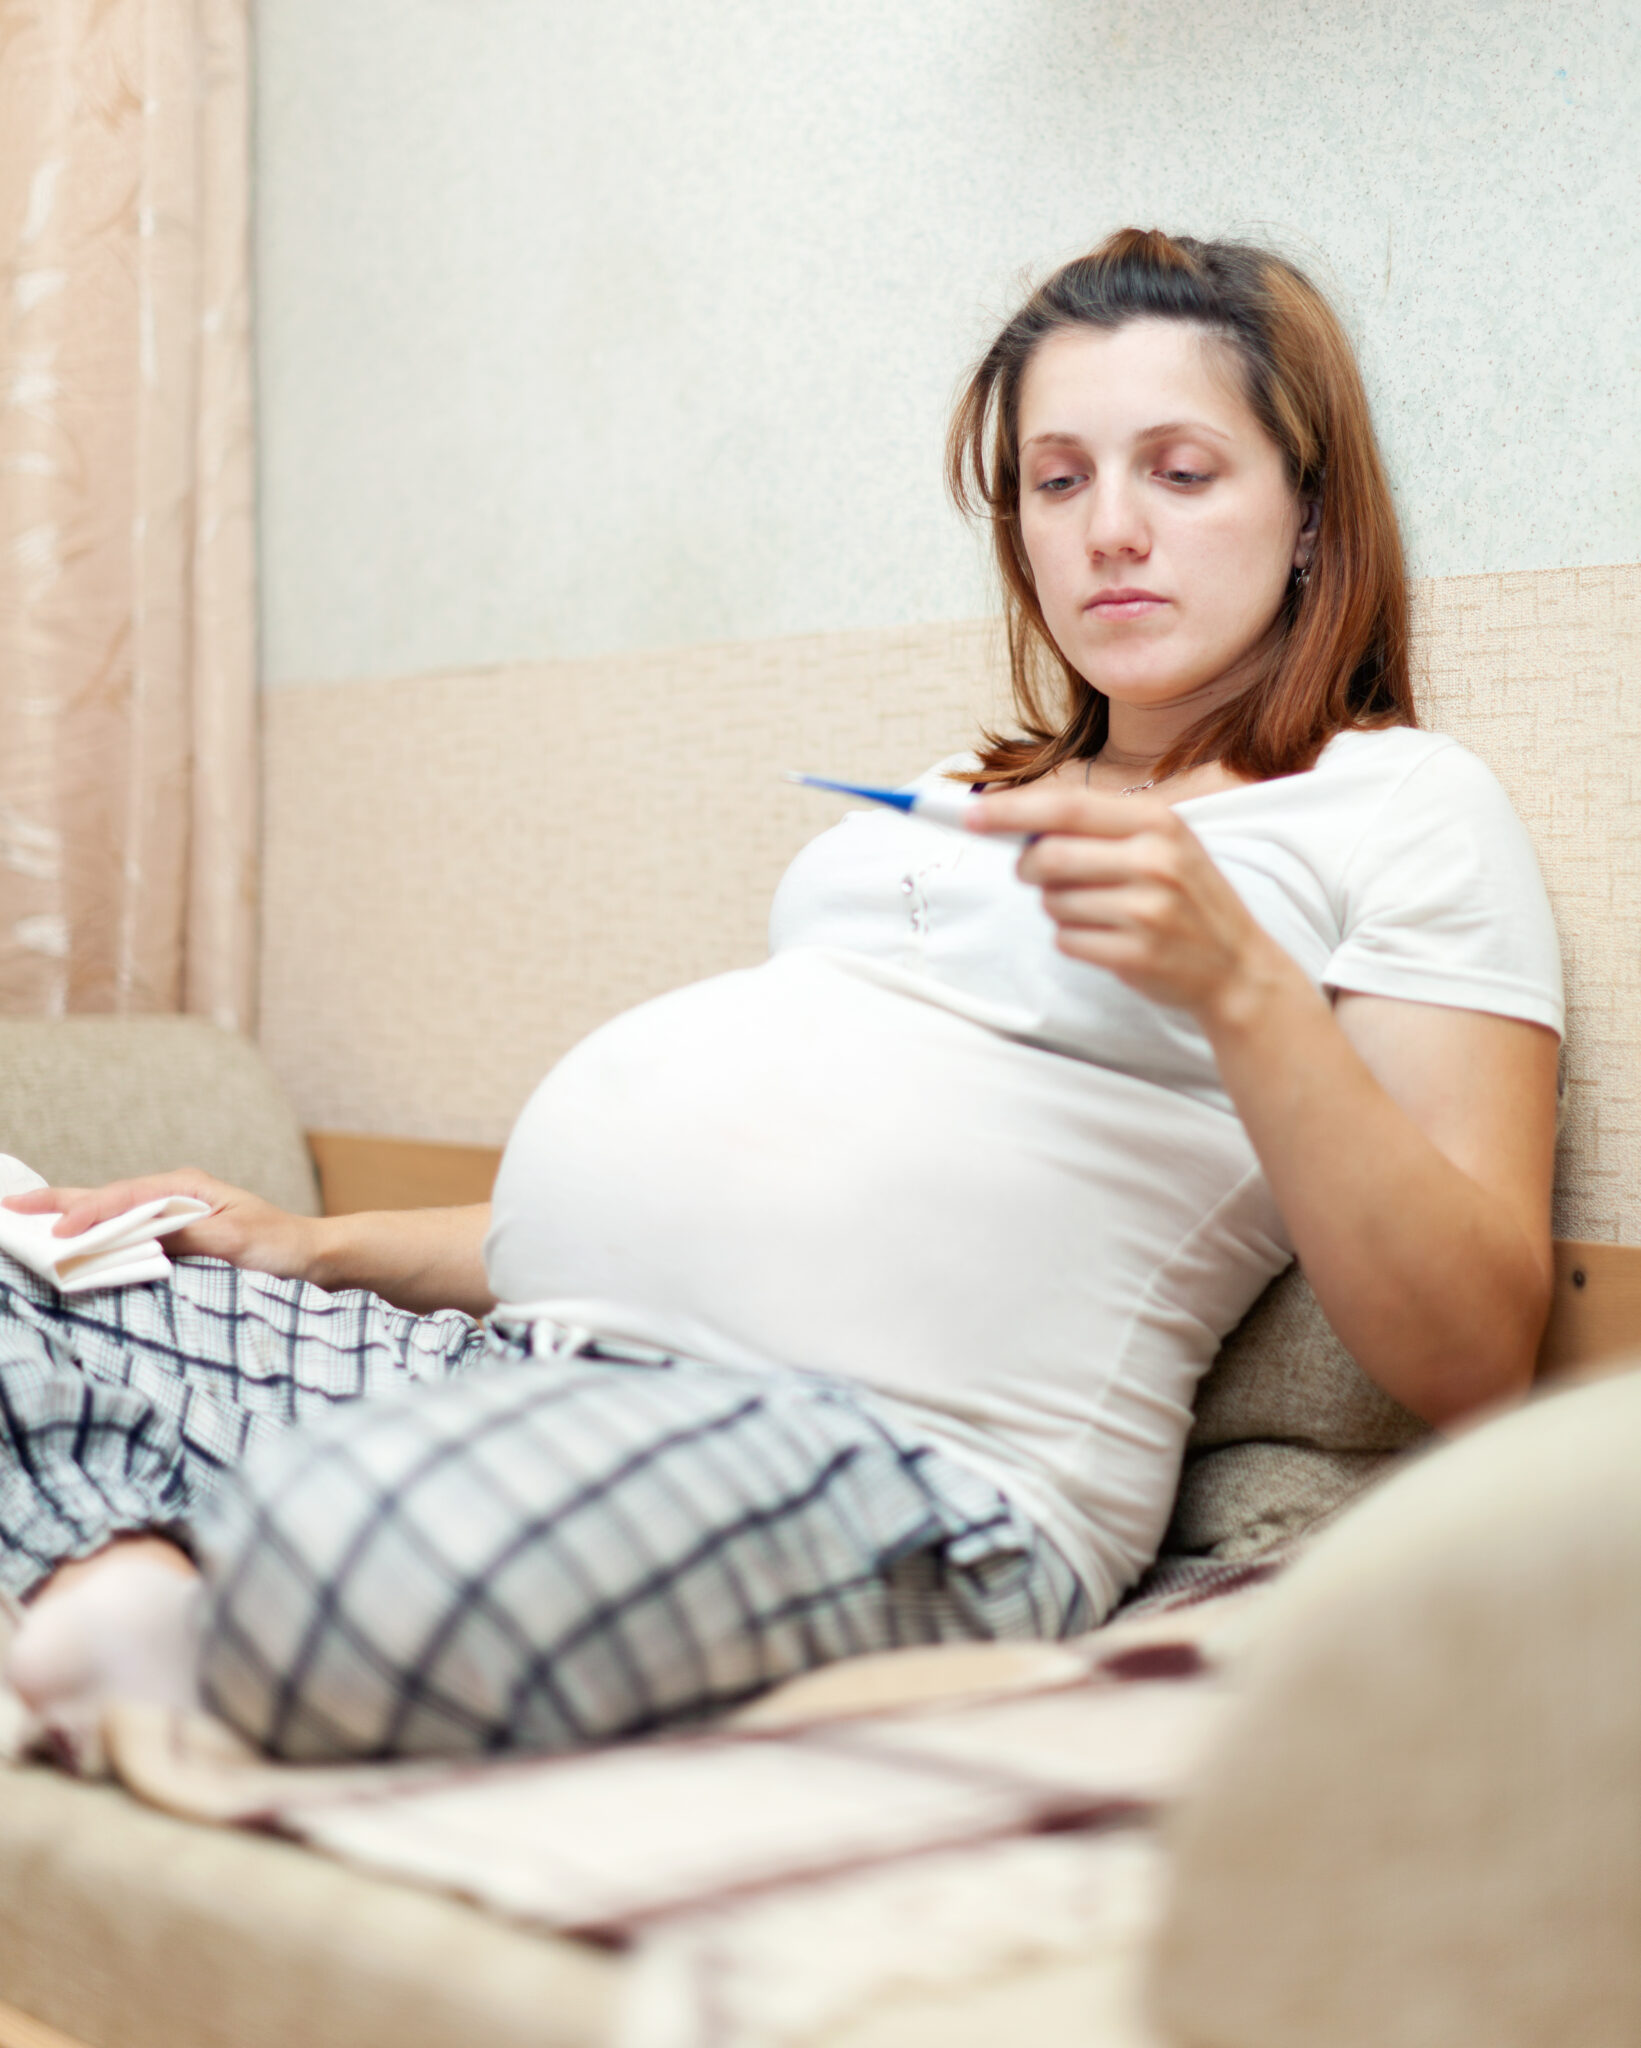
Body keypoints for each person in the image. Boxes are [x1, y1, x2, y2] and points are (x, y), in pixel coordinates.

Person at [0, 229, 1562, 1766]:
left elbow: (1475, 1354)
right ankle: (134, 1584)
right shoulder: (967, 793)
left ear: (1305, 515)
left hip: (893, 1466)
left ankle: (127, 1571)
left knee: (367, 1543)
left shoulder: (1394, 806)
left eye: (1181, 469)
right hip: (532, 1376)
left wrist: (1240, 985)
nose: (1110, 531)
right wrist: (313, 1248)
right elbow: (714, 1214)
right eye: (1058, 479)